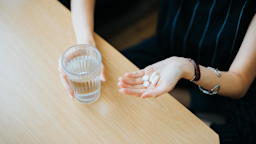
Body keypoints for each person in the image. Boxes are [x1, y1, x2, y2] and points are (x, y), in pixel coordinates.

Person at [58, 0, 256, 143]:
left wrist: (187, 68)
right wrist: (86, 45)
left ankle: (201, 100)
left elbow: (239, 81)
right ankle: (194, 99)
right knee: (113, 80)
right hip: (168, 48)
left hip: (226, 75)